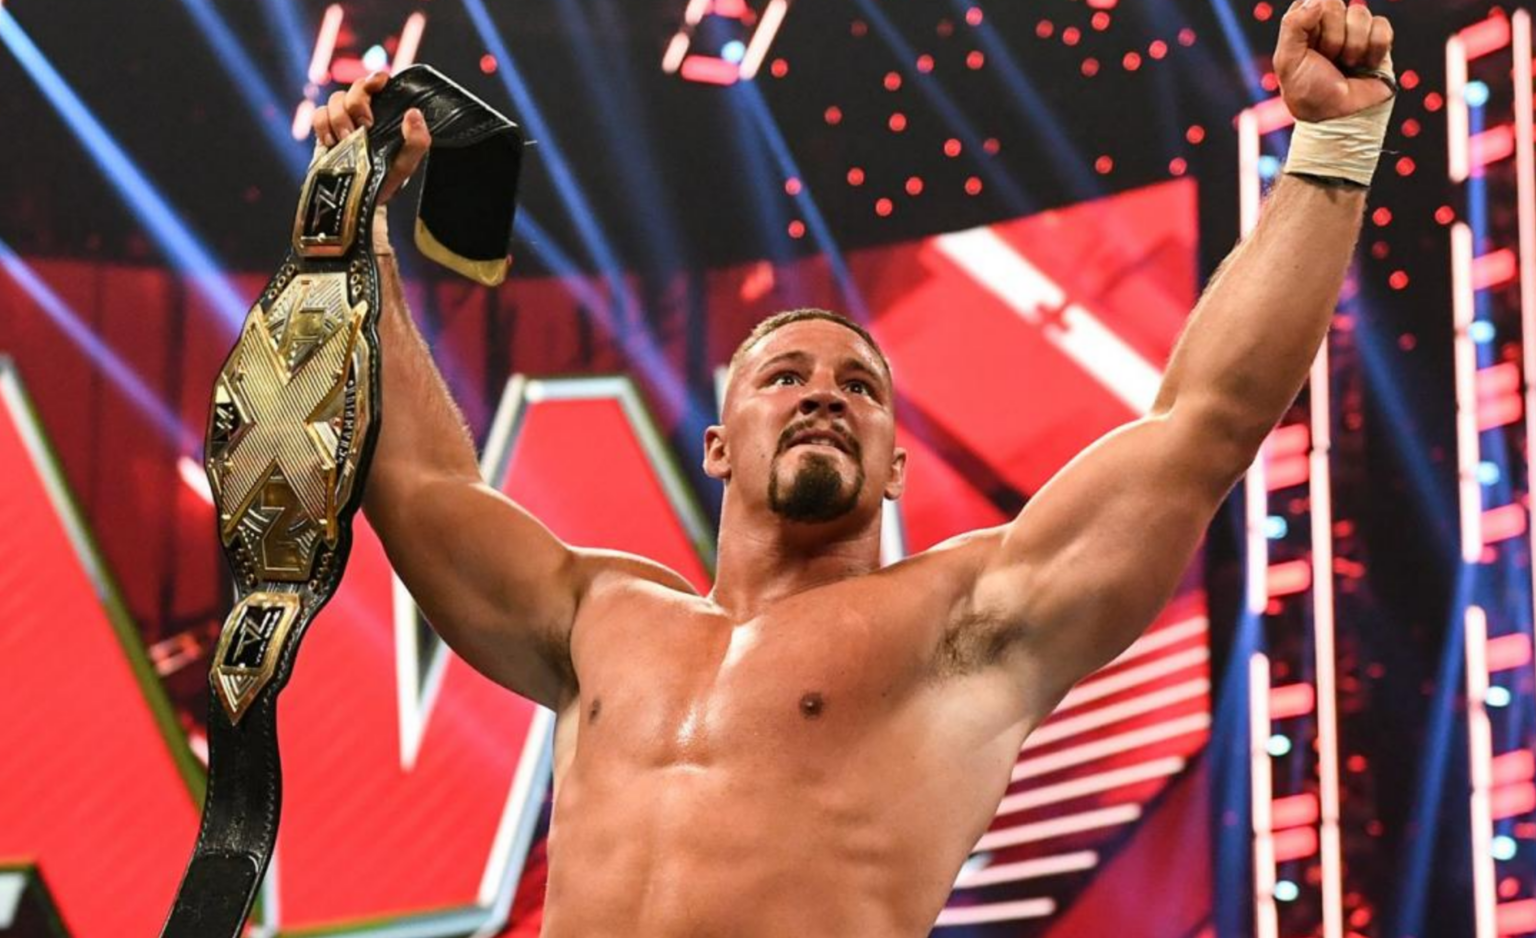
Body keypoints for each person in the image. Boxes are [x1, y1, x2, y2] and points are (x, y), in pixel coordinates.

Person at [312, 2, 1394, 934]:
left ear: (894, 469)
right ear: (719, 446)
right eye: (784, 375)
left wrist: (1335, 145)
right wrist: (359, 241)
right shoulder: (598, 614)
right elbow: (421, 489)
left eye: (862, 387)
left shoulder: (962, 623)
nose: (826, 393)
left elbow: (1205, 424)